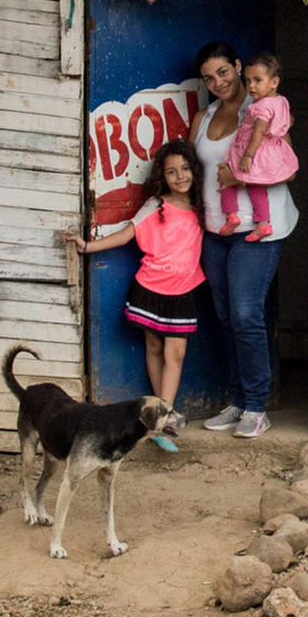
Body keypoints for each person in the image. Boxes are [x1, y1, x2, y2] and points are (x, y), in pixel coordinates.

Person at [190, 41, 299, 439]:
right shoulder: (203, 117)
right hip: (216, 229)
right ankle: (237, 400)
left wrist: (239, 177)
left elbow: (287, 169)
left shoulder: (265, 110)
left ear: (237, 67)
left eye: (223, 71)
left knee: (245, 314)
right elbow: (193, 169)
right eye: (208, 77)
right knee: (224, 318)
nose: (217, 81)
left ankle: (257, 406)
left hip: (259, 228)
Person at [73, 139, 204, 450]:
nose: (180, 176)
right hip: (149, 288)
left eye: (185, 169)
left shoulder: (202, 206)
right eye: (172, 172)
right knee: (155, 350)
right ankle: (162, 418)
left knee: (176, 355)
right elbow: (128, 233)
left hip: (182, 291)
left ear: (194, 171)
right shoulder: (155, 206)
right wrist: (89, 246)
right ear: (163, 177)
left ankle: (162, 416)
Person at [218, 53, 297, 242]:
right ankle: (263, 224)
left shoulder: (261, 107)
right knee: (257, 189)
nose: (251, 86)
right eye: (248, 80)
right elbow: (288, 120)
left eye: (258, 80)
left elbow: (258, 132)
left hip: (256, 152)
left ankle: (231, 215)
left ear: (274, 82)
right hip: (271, 153)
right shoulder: (281, 101)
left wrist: (247, 156)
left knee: (226, 179)